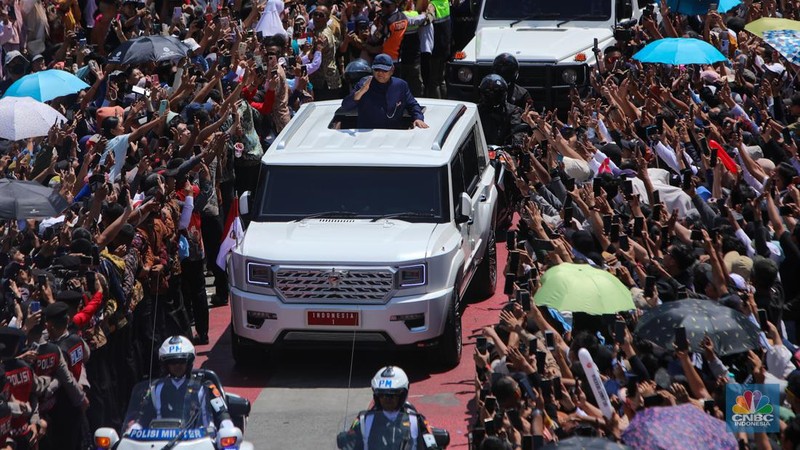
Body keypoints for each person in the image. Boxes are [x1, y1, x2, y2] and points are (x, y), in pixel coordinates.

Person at [132, 336, 234, 431]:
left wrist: (227, 427)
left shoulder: (206, 387)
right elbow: (141, 418)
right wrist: (132, 430)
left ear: (189, 362)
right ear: (166, 365)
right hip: (162, 444)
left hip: (202, 442)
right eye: (173, 362)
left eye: (181, 361)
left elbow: (222, 414)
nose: (177, 366)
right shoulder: (155, 389)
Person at [337, 366, 440, 450]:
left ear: (402, 395)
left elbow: (431, 444)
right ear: (376, 396)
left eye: (393, 395)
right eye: (382, 395)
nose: (387, 399)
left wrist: (433, 445)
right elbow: (351, 443)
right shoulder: (363, 420)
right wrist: (346, 439)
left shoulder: (417, 420)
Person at [341, 54, 428, 129]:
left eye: (384, 70)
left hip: (392, 135)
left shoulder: (401, 85)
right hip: (366, 135)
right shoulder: (364, 84)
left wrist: (418, 118)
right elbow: (346, 106)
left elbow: (412, 105)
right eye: (377, 70)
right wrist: (361, 91)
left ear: (392, 70)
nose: (380, 73)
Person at [475, 74, 526, 146]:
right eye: (488, 93)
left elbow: (517, 130)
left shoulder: (513, 111)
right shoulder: (475, 111)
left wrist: (516, 144)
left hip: (504, 152)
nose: (491, 96)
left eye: (495, 93)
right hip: (479, 150)